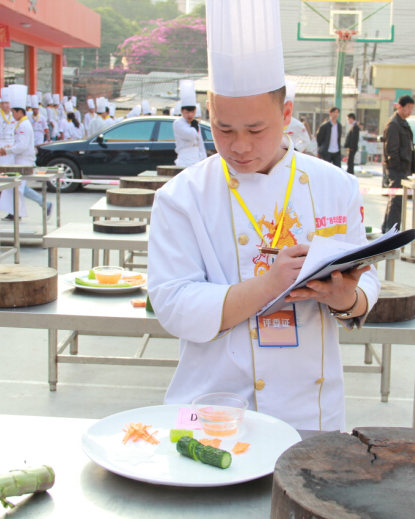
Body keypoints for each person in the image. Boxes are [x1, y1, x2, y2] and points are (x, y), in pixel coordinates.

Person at [148, 0, 380, 432]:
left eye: (256, 130)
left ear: (286, 114)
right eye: (223, 129)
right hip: (212, 406)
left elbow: (366, 279)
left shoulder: (336, 185)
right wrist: (269, 285)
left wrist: (346, 298)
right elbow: (173, 305)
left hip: (311, 413)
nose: (239, 146)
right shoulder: (181, 197)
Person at [0, 85, 51, 221]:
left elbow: (21, 147)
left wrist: (6, 150)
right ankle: (15, 212)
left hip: (23, 161)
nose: (12, 115)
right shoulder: (22, 124)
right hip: (21, 160)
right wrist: (11, 147)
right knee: (16, 188)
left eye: (13, 112)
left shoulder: (23, 125)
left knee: (19, 188)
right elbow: (20, 144)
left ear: (19, 112)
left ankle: (43, 203)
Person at [380, 96, 415, 233]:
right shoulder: (394, 124)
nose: (410, 110)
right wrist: (398, 168)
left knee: (396, 200)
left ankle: (387, 229)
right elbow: (392, 150)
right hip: (396, 170)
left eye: (412, 108)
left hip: (403, 169)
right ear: (399, 107)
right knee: (396, 201)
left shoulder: (403, 123)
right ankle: (391, 231)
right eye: (408, 107)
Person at [173, 80, 206, 167]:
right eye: (187, 112)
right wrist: (194, 124)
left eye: (192, 112)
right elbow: (192, 135)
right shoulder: (178, 123)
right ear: (182, 111)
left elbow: (200, 143)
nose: (190, 115)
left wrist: (204, 160)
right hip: (185, 159)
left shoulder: (195, 124)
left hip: (196, 158)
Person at [283, 80, 311, 153]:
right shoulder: (269, 123)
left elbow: (306, 141)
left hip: (289, 155)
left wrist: (295, 149)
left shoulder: (297, 125)